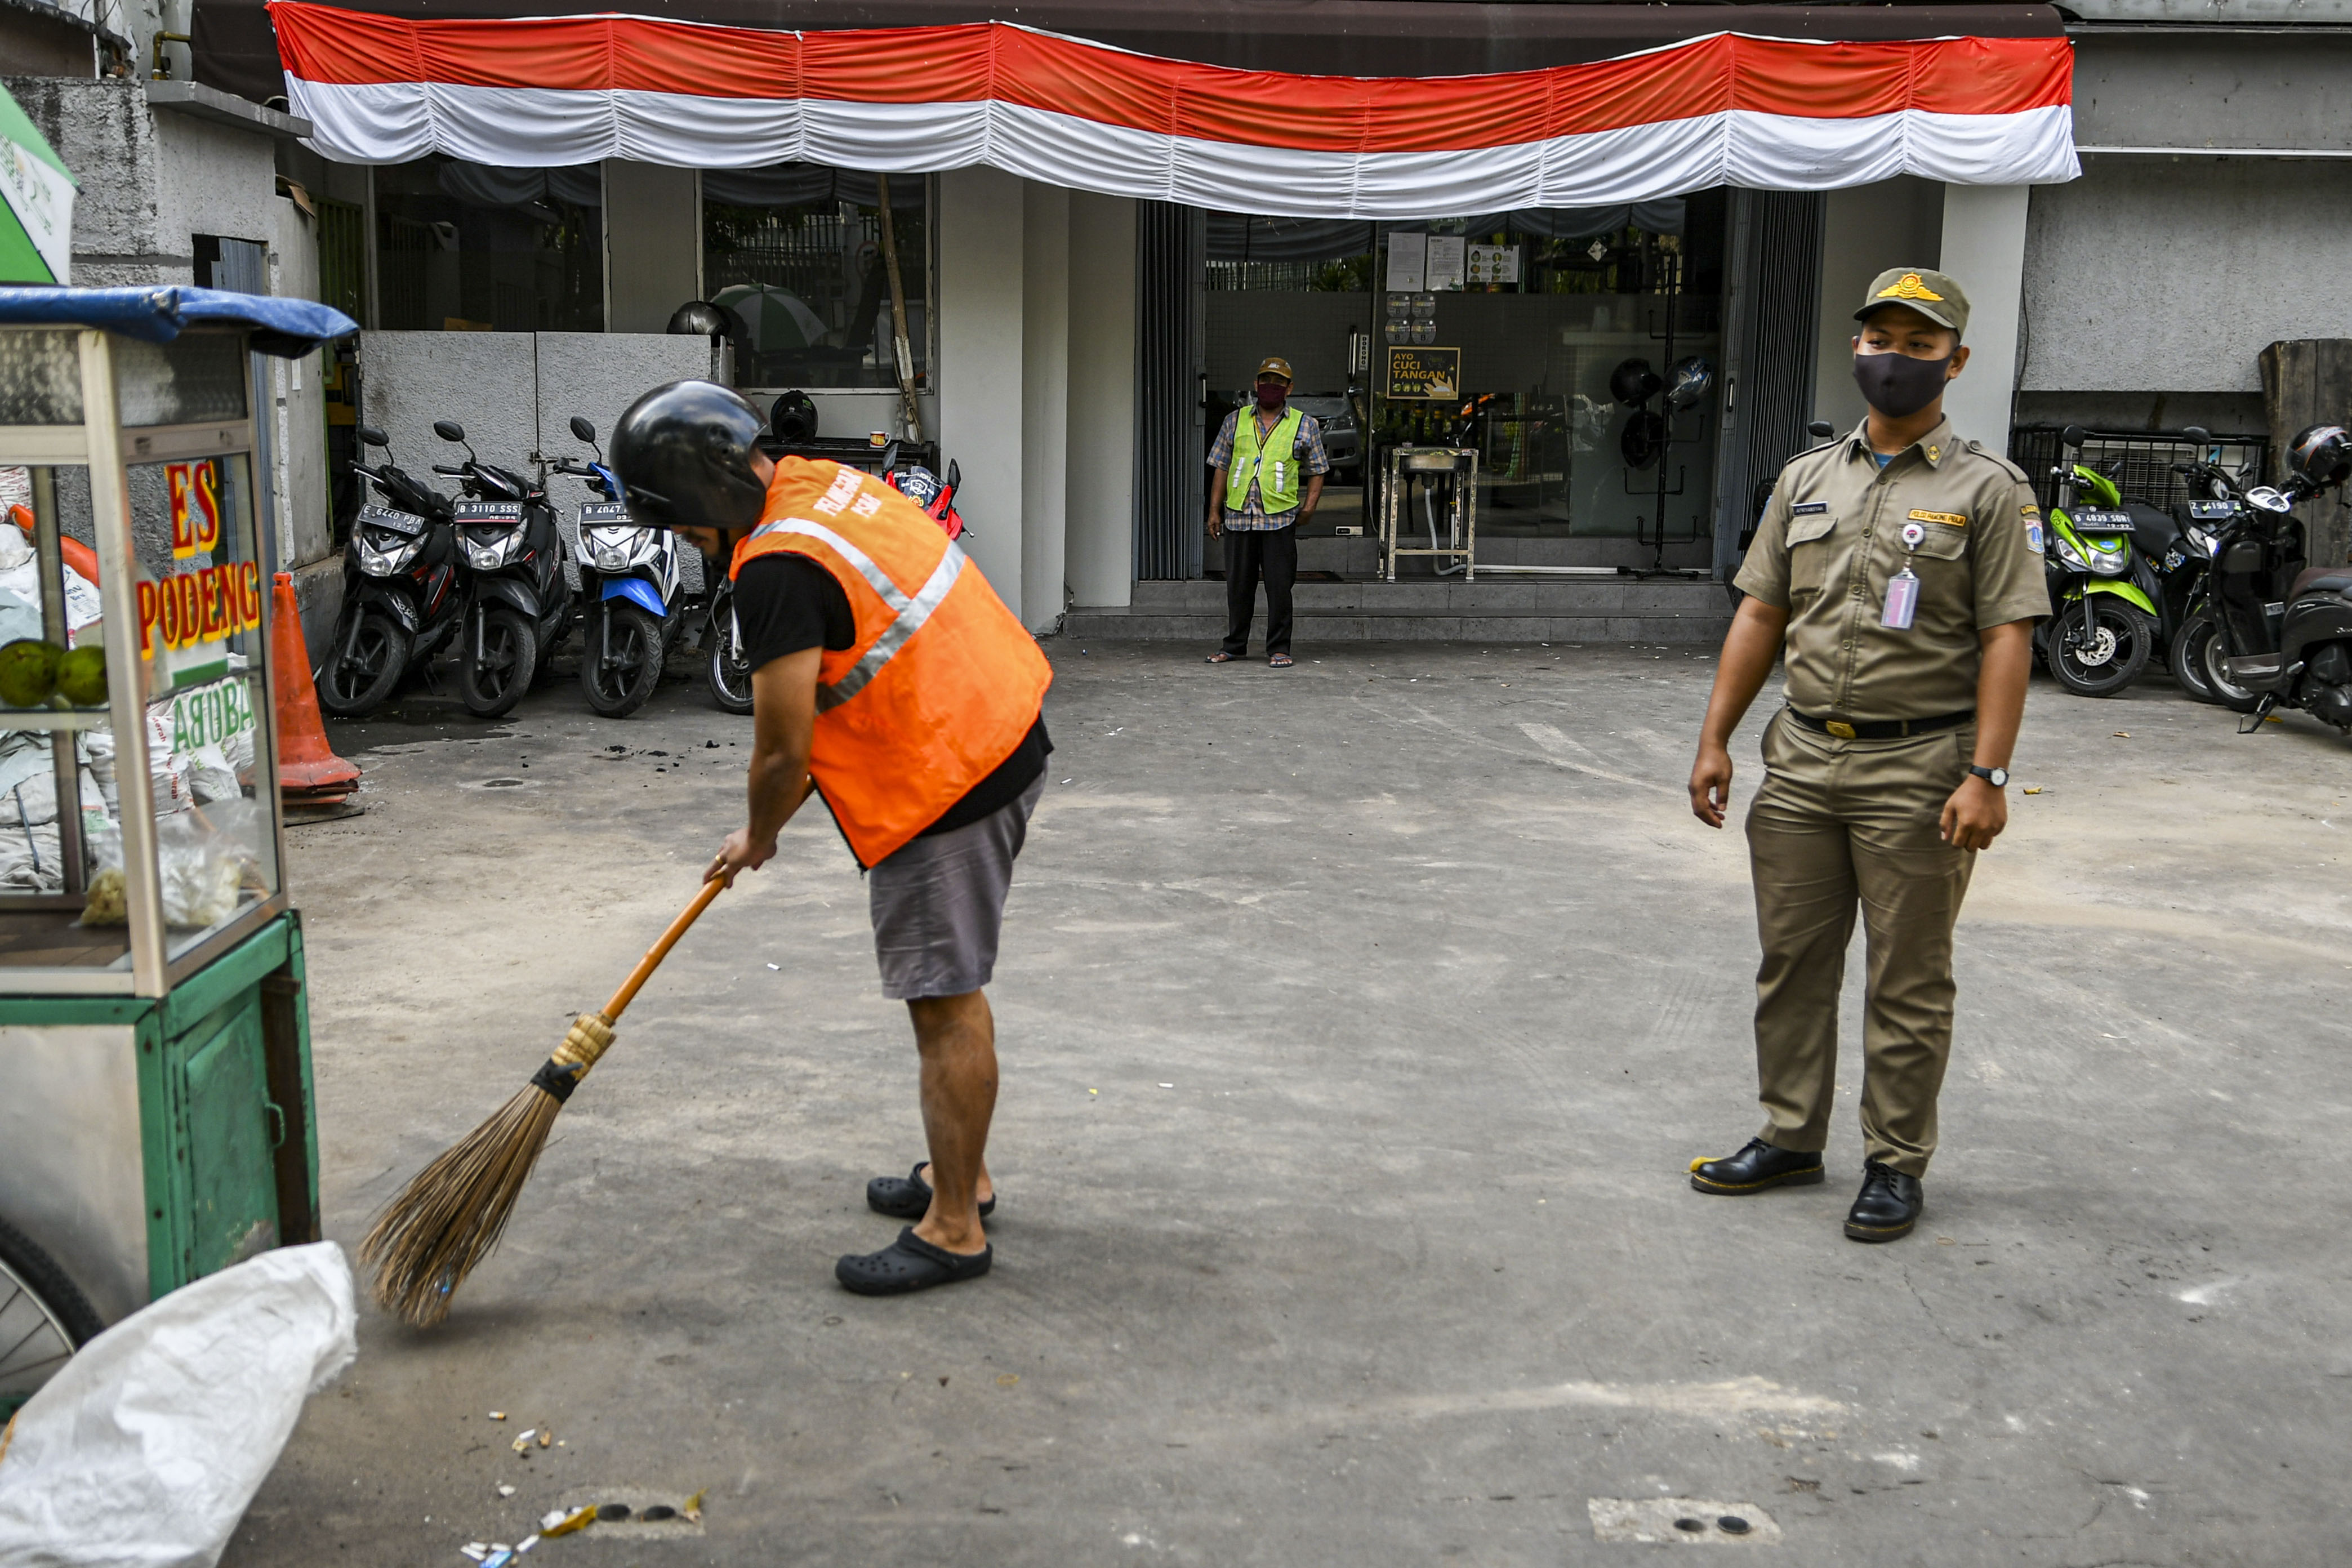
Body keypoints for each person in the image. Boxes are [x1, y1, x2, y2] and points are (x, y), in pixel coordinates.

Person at [609, 380, 1052, 1296]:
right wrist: (760, 827)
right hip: (989, 723)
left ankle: (956, 1225)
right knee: (950, 990)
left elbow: (782, 746)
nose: (685, 541)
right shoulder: (816, 483)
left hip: (946, 775)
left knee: (944, 1000)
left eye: (680, 523)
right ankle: (959, 1169)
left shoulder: (775, 567)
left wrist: (758, 831)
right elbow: (845, 678)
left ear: (707, 498)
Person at [1683, 268, 2049, 1242]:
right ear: (1855, 348)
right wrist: (1716, 736)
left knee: (1908, 975)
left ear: (1955, 362)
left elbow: (2010, 635)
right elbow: (1761, 609)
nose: (1894, 358)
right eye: (1879, 338)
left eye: (1919, 345)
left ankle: (1894, 1160)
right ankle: (1790, 1133)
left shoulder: (1987, 489)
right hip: (1801, 759)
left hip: (1921, 767)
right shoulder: (1805, 480)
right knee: (1792, 960)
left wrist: (1990, 773)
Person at [1206, 355, 1330, 668]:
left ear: (1289, 388)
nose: (1270, 387)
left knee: (1279, 588)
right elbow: (1221, 466)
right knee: (1238, 587)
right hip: (1238, 515)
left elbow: (1318, 470)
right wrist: (1214, 511)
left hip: (1280, 517)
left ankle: (1279, 648)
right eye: (1266, 381)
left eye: (1278, 383)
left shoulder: (1305, 425)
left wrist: (1310, 507)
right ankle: (1234, 645)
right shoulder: (1235, 421)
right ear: (1255, 384)